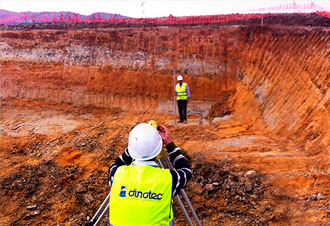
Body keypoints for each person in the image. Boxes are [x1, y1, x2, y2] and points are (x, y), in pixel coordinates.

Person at [108, 123, 192, 226]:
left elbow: (117, 163)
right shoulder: (169, 179)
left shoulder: (116, 174)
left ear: (131, 149)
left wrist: (138, 144)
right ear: (159, 147)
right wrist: (169, 144)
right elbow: (186, 171)